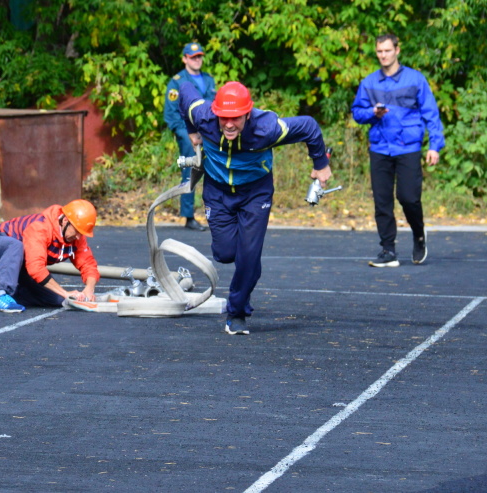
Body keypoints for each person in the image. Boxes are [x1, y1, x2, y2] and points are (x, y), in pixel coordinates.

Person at [179, 81, 332, 335]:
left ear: (247, 114)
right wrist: (191, 129)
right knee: (226, 253)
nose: (229, 124)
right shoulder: (204, 116)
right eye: (224, 117)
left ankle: (237, 313)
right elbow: (185, 90)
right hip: (217, 192)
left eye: (236, 118)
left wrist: (320, 163)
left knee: (248, 256)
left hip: (255, 193)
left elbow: (308, 126)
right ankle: (248, 270)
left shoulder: (267, 129)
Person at [351, 33, 445, 268]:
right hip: (380, 148)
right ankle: (388, 250)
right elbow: (357, 113)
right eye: (379, 51)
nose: (383, 55)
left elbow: (431, 113)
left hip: (408, 147)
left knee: (408, 197)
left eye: (387, 50)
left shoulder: (415, 79)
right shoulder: (369, 82)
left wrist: (434, 146)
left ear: (397, 51)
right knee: (382, 201)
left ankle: (419, 234)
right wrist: (373, 113)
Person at [0, 199, 101, 312]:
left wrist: (89, 289)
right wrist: (65, 292)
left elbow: (88, 264)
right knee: (16, 246)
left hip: (24, 261)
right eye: (77, 231)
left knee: (59, 300)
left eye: (82, 233)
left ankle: (16, 294)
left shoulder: (76, 236)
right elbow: (36, 268)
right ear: (65, 221)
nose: (79, 237)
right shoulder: (41, 227)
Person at [163, 42, 216, 231]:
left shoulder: (209, 80)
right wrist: (186, 135)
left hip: (209, 133)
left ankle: (216, 214)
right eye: (193, 57)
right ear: (185, 58)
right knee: (191, 170)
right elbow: (171, 114)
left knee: (215, 171)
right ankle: (188, 216)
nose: (197, 60)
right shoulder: (176, 81)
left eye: (199, 56)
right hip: (188, 134)